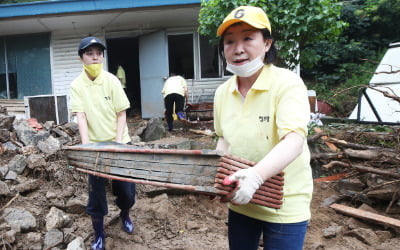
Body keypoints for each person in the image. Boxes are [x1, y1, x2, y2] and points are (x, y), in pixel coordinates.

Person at [214, 6, 313, 250]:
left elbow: (293, 140)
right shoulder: (222, 92)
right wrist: (218, 177)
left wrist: (255, 177)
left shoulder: (286, 84)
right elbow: (224, 140)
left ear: (267, 43)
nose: (238, 49)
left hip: (284, 204)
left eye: (248, 38)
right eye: (229, 42)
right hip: (242, 200)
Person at [70, 36, 136, 250]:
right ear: (81, 58)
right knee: (96, 192)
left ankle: (125, 213)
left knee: (126, 190)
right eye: (90, 53)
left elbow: (121, 114)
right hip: (95, 146)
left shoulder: (112, 81)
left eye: (99, 53)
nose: (95, 57)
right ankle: (99, 233)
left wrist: (117, 144)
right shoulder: (77, 85)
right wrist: (87, 147)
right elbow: (81, 116)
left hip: (119, 141)